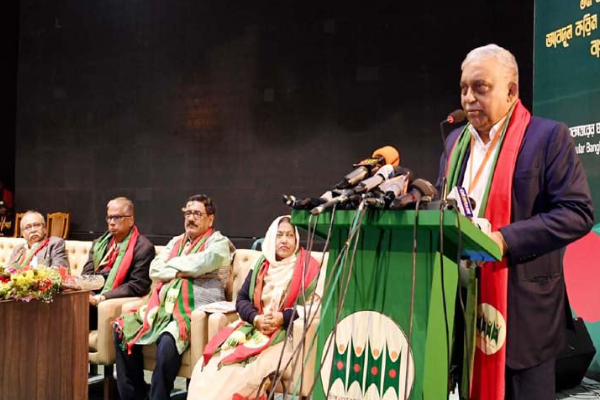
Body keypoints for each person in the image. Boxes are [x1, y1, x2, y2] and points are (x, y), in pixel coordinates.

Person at [437, 44, 594, 400]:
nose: (468, 98)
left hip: (524, 313)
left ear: (511, 91)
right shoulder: (454, 144)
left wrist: (504, 239)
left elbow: (577, 212)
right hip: (463, 305)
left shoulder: (547, 137)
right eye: (464, 88)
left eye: (480, 87)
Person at [113, 194, 235, 400]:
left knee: (167, 342)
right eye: (188, 213)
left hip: (193, 310)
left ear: (210, 219)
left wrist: (173, 267)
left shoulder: (219, 243)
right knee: (121, 330)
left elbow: (202, 263)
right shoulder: (176, 241)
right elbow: (155, 269)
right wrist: (183, 271)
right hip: (162, 307)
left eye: (197, 214)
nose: (191, 218)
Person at [186, 215, 321, 400]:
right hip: (253, 328)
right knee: (208, 366)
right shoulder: (261, 264)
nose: (284, 240)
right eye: (279, 235)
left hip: (284, 337)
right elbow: (242, 299)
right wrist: (256, 318)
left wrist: (283, 317)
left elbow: (315, 307)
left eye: (290, 235)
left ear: (296, 239)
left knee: (241, 375)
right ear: (271, 238)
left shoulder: (307, 267)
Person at [81, 197, 155, 330]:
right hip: (92, 297)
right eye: (109, 218)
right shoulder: (99, 244)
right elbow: (86, 274)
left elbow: (137, 286)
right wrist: (89, 295)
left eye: (117, 218)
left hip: (112, 301)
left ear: (131, 220)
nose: (111, 223)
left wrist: (101, 297)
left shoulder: (143, 248)